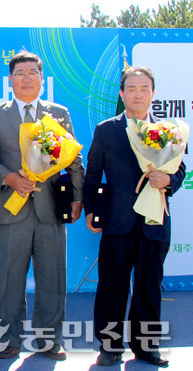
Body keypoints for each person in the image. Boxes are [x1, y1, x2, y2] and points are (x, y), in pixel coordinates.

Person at [0, 51, 84, 360]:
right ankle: (9, 339)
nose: (26, 78)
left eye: (32, 72)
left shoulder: (59, 113)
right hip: (11, 209)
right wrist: (10, 178)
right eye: (19, 73)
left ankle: (50, 340)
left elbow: (74, 159)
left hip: (51, 208)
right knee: (11, 277)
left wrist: (77, 198)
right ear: (11, 80)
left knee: (53, 276)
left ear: (42, 78)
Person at [84, 66, 184, 367]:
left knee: (149, 285)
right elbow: (93, 174)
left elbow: (179, 170)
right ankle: (110, 346)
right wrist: (91, 210)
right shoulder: (106, 129)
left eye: (144, 88)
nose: (138, 94)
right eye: (131, 89)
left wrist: (168, 182)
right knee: (112, 285)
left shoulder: (170, 131)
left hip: (155, 221)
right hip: (117, 220)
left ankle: (146, 346)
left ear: (153, 93)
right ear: (122, 93)